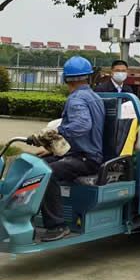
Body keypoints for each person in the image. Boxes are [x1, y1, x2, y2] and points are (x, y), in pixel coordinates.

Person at [31, 56, 105, 241]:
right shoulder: (94, 96)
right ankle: (31, 218)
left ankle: (57, 225)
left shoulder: (76, 99)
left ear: (65, 78)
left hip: (86, 158)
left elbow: (82, 125)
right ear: (88, 76)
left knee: (45, 173)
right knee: (35, 164)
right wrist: (51, 149)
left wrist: (56, 131)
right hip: (83, 154)